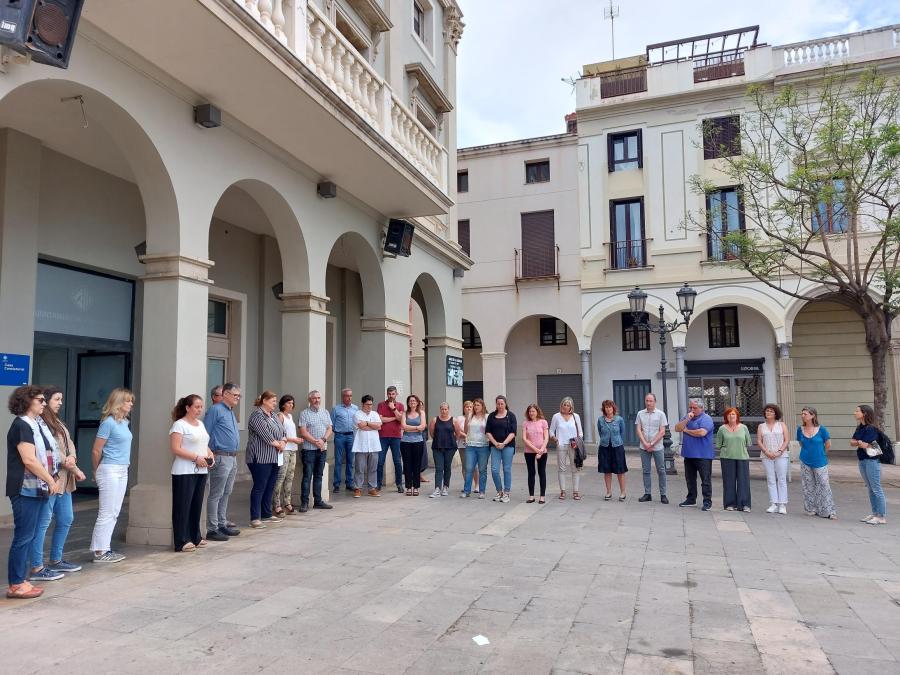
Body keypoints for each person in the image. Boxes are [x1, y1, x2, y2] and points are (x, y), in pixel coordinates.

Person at [6, 386, 61, 599]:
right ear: (27, 402)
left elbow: (47, 454)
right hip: (25, 488)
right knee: (23, 536)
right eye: (40, 400)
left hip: (36, 488)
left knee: (29, 536)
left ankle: (21, 580)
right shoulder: (22, 426)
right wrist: (50, 480)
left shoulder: (36, 425)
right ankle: (16, 583)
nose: (44, 403)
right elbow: (29, 459)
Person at [31, 386, 85, 578]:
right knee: (43, 521)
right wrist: (70, 464)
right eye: (56, 399)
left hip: (65, 480)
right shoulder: (40, 423)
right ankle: (37, 566)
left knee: (66, 518)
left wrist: (73, 460)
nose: (60, 403)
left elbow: (69, 444)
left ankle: (56, 559)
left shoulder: (58, 422)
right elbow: (50, 448)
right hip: (52, 478)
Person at [90, 387, 135, 563]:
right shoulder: (108, 422)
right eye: (128, 400)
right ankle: (100, 551)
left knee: (114, 511)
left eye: (131, 400)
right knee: (107, 511)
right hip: (109, 469)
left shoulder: (124, 422)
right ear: (118, 403)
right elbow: (96, 450)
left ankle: (104, 548)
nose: (131, 404)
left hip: (122, 469)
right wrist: (96, 470)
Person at [169, 395, 215, 552]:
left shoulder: (200, 424)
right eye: (196, 407)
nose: (199, 410)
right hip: (184, 471)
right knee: (183, 506)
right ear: (187, 408)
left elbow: (204, 443)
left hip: (201, 470)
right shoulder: (179, 425)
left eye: (201, 407)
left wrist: (210, 455)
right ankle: (181, 541)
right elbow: (176, 448)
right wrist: (196, 457)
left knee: (196, 505)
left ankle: (195, 536)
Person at [205, 382, 242, 541]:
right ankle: (212, 528)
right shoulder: (215, 410)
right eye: (235, 395)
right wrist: (209, 455)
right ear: (225, 394)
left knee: (227, 492)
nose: (238, 398)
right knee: (216, 493)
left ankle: (221, 523)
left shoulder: (230, 411)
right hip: (220, 456)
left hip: (232, 457)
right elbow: (205, 433)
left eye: (239, 396)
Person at [246, 390, 286, 528]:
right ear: (264, 401)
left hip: (275, 456)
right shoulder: (257, 415)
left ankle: (266, 513)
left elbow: (283, 431)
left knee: (270, 486)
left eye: (275, 401)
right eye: (273, 401)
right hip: (260, 457)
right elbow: (266, 435)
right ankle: (255, 518)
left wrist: (283, 442)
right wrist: (279, 444)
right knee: (260, 486)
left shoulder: (273, 415)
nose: (275, 403)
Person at [674, 399, 715, 511]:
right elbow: (677, 428)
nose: (692, 410)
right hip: (689, 453)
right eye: (690, 407)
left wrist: (686, 431)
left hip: (703, 455)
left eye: (694, 408)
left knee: (705, 480)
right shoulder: (687, 417)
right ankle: (691, 499)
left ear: (701, 408)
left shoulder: (706, 419)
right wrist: (687, 419)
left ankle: (707, 501)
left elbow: (702, 432)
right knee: (690, 479)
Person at [797, 406, 837, 519]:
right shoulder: (800, 429)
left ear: (813, 415)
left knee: (824, 484)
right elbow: (801, 443)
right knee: (808, 485)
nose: (803, 416)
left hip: (820, 460)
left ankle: (828, 510)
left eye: (805, 414)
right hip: (805, 460)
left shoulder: (822, 429)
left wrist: (822, 453)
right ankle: (811, 508)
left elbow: (828, 444)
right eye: (802, 413)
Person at [850, 404, 886, 525]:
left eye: (857, 411)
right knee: (870, 488)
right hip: (862, 460)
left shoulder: (871, 428)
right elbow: (852, 442)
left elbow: (865, 444)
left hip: (872, 461)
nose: (855, 413)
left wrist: (859, 442)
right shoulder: (860, 427)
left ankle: (881, 516)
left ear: (864, 413)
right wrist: (860, 442)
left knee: (876, 488)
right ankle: (875, 513)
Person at [298, 390, 333, 512]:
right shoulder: (304, 413)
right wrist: (315, 442)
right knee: (307, 476)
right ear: (310, 400)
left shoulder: (325, 412)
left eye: (318, 398)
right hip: (309, 450)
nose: (317, 400)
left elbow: (329, 428)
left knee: (319, 475)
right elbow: (303, 432)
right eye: (314, 398)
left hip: (322, 450)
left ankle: (318, 501)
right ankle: (304, 503)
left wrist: (323, 440)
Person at [716, 407, 752, 512]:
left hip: (742, 457)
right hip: (727, 458)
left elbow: (748, 442)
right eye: (729, 414)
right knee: (729, 481)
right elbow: (719, 444)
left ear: (737, 416)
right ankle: (730, 504)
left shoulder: (744, 427)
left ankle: (744, 504)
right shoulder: (722, 428)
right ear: (726, 417)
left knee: (743, 481)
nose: (731, 416)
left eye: (733, 414)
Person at [550, 397, 586, 501]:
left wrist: (577, 440)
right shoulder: (556, 416)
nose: (565, 406)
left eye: (567, 405)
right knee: (561, 469)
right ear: (561, 405)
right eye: (564, 404)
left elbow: (580, 432)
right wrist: (555, 439)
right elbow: (551, 431)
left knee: (575, 468)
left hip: (573, 445)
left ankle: (576, 491)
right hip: (561, 445)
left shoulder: (576, 416)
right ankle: (563, 491)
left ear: (571, 407)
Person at [636, 393, 668, 504]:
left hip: (657, 447)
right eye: (647, 400)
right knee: (646, 471)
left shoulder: (661, 414)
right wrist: (645, 443)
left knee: (661, 470)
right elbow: (639, 429)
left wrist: (652, 443)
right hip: (643, 446)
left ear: (655, 401)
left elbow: (662, 431)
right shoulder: (640, 413)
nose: (648, 403)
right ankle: (647, 493)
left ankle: (663, 494)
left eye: (650, 401)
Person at [757, 403, 789, 514]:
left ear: (776, 413)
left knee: (781, 479)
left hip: (781, 455)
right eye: (767, 411)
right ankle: (773, 503)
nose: (768, 413)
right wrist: (766, 452)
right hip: (767, 456)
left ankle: (782, 504)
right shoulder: (761, 426)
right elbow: (759, 441)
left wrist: (780, 451)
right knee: (770, 479)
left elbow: (786, 440)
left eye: (771, 411)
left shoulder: (782, 425)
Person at [273, 395, 301, 516]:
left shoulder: (290, 416)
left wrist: (295, 441)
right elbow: (278, 434)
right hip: (284, 449)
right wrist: (293, 440)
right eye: (289, 403)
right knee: (281, 476)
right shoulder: (280, 416)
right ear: (283, 404)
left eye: (292, 403)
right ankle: (276, 504)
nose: (291, 405)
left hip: (293, 450)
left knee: (290, 477)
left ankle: (287, 502)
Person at [486, 395, 517, 503]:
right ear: (496, 404)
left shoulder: (511, 416)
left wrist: (503, 443)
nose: (500, 405)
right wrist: (495, 443)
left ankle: (507, 493)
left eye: (502, 403)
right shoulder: (491, 416)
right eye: (498, 403)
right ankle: (499, 491)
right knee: (494, 470)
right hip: (495, 446)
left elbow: (513, 433)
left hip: (508, 446)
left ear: (505, 404)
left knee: (506, 469)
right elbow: (488, 432)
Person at [596, 399, 627, 501]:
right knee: (607, 470)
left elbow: (622, 433)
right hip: (604, 447)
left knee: (620, 470)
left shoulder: (619, 420)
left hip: (617, 447)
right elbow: (600, 432)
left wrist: (617, 441)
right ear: (604, 409)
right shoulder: (600, 420)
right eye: (606, 407)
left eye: (610, 407)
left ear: (613, 408)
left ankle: (623, 492)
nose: (608, 409)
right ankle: (608, 492)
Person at [376, 386, 405, 493]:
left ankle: (399, 484)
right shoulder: (381, 405)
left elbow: (401, 419)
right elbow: (380, 419)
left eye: (393, 394)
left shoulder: (400, 405)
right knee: (380, 461)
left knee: (397, 461)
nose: (391, 396)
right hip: (383, 436)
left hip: (396, 437)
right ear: (387, 394)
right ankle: (378, 484)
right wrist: (395, 418)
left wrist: (393, 408)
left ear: (396, 394)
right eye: (389, 394)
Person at [352, 395, 382, 497]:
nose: (369, 406)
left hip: (374, 445)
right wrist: (372, 426)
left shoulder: (375, 414)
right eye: (367, 404)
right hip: (361, 445)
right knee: (359, 468)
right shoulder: (357, 414)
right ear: (362, 404)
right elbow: (361, 426)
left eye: (371, 404)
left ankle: (372, 488)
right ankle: (358, 488)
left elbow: (379, 426)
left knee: (373, 468)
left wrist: (368, 423)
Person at [331, 388, 358, 492]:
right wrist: (338, 432)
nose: (349, 398)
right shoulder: (336, 409)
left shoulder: (355, 408)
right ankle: (336, 484)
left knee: (351, 461)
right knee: (338, 461)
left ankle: (349, 483)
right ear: (343, 397)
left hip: (351, 436)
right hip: (340, 436)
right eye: (347, 396)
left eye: (351, 395)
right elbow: (331, 424)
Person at [462, 398, 490, 499]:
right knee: (469, 468)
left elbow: (490, 430)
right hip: (470, 445)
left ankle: (482, 491)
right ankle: (466, 491)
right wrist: (466, 438)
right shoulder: (470, 416)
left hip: (483, 446)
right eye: (475, 405)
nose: (476, 407)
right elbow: (465, 430)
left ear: (482, 406)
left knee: (482, 469)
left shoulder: (487, 417)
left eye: (478, 405)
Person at [522, 403, 549, 504]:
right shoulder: (525, 423)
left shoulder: (543, 422)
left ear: (537, 411)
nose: (531, 413)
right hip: (529, 451)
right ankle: (531, 496)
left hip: (542, 451)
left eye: (533, 411)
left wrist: (541, 450)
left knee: (542, 473)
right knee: (531, 473)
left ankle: (542, 496)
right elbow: (524, 438)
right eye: (529, 411)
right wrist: (535, 450)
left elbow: (546, 437)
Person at [401, 394, 427, 496]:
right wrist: (417, 428)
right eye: (410, 401)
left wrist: (410, 428)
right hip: (405, 442)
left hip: (418, 442)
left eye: (414, 401)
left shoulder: (422, 413)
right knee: (407, 465)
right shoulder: (404, 413)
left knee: (417, 465)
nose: (412, 402)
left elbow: (423, 426)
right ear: (408, 403)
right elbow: (403, 426)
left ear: (417, 402)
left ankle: (416, 487)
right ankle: (408, 487)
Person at [429, 403, 457, 497]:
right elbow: (432, 433)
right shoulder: (435, 420)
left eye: (445, 409)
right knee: (439, 467)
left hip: (450, 447)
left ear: (448, 410)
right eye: (442, 409)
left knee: (447, 467)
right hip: (437, 447)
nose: (444, 411)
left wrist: (451, 440)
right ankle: (437, 488)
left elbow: (458, 432)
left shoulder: (454, 420)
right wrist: (439, 439)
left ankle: (445, 487)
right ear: (440, 410)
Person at [454, 401, 472, 495]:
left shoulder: (475, 418)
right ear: (464, 408)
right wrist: (465, 436)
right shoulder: (459, 418)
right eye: (467, 407)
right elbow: (457, 430)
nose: (468, 408)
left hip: (473, 444)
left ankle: (476, 485)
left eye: (470, 407)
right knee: (465, 465)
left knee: (474, 466)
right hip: (462, 445)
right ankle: (467, 485)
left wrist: (468, 436)